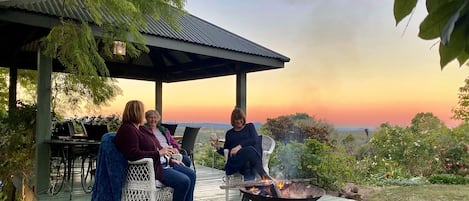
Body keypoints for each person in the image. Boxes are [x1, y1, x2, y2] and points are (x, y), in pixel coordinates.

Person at [114, 100, 196, 201]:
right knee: (184, 181)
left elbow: (153, 148)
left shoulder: (139, 128)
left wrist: (170, 160)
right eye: (142, 112)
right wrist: (158, 153)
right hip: (150, 169)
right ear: (136, 112)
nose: (144, 115)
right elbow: (133, 153)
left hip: (161, 163)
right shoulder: (128, 129)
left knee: (191, 174)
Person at [212, 107, 270, 181]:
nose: (239, 121)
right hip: (236, 162)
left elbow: (254, 139)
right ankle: (264, 176)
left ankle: (248, 190)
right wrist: (218, 148)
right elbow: (226, 152)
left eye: (240, 118)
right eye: (236, 119)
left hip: (249, 162)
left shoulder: (249, 127)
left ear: (243, 118)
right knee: (249, 150)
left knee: (248, 164)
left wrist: (239, 147)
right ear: (233, 121)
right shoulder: (229, 133)